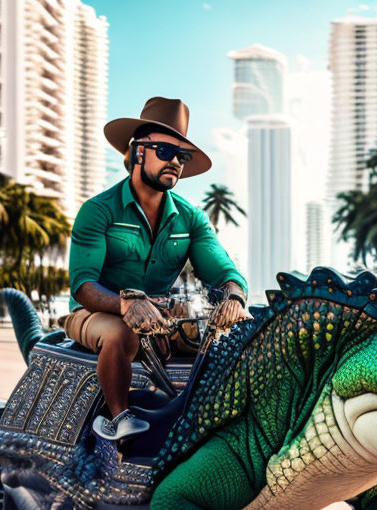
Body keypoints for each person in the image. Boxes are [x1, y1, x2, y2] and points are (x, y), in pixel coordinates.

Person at [64, 97, 250, 441]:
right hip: (95, 312)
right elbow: (82, 284)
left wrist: (235, 297)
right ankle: (119, 419)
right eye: (165, 151)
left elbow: (223, 270)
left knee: (225, 343)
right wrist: (125, 304)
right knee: (122, 335)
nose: (176, 162)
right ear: (138, 152)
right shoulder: (98, 210)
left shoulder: (191, 218)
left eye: (183, 156)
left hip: (163, 317)